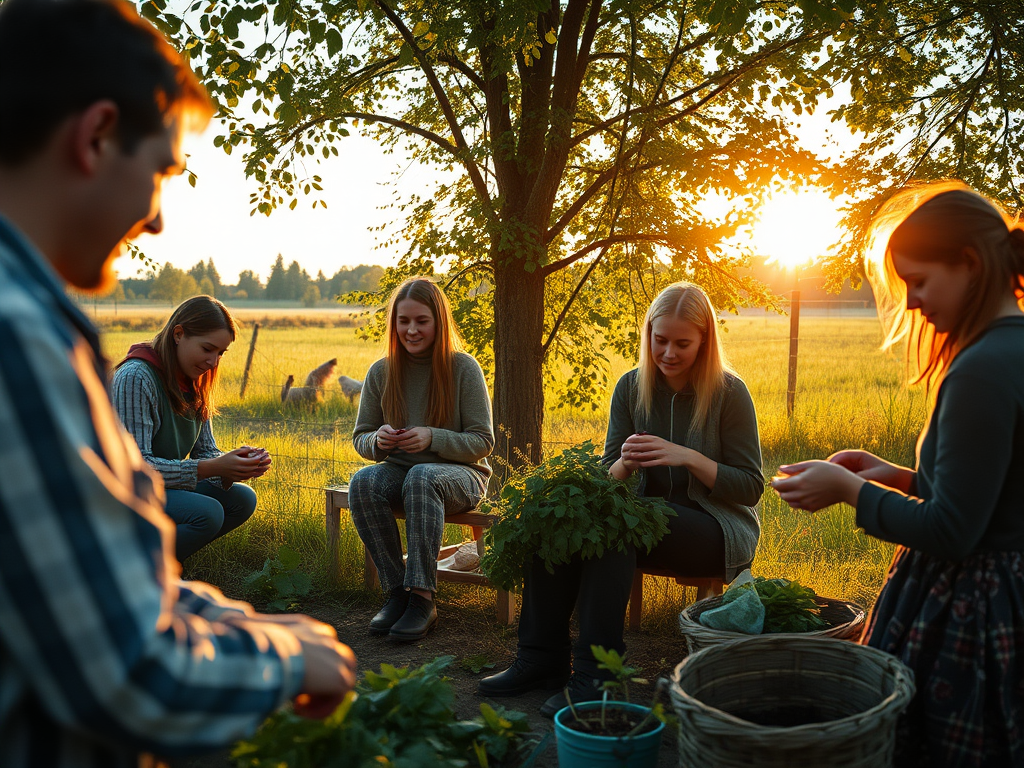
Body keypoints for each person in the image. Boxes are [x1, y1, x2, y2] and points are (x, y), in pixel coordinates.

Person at [0, 1, 356, 765]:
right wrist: (283, 663)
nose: (157, 220)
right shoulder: (18, 337)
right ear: (95, 137)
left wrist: (237, 625)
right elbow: (127, 675)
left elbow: (94, 567)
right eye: (160, 170)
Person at [771, 182, 1024, 768]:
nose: (910, 302)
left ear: (970, 263)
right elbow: (996, 495)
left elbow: (955, 531)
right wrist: (898, 477)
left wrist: (849, 490)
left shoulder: (981, 369)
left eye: (919, 280)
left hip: (970, 612)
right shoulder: (1011, 348)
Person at [480, 282, 764, 716]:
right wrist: (624, 466)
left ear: (704, 341)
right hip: (641, 519)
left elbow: (750, 485)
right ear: (648, 334)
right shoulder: (632, 386)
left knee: (618, 529)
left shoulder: (728, 392)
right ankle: (541, 658)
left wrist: (688, 457)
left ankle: (598, 677)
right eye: (660, 340)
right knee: (556, 522)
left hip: (714, 528)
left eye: (682, 343)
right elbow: (605, 480)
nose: (668, 353)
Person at [350, 277, 494, 642]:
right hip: (402, 472)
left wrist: (434, 437)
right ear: (394, 323)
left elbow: (483, 442)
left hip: (463, 476)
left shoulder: (463, 368)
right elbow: (361, 437)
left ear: (438, 322)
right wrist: (377, 441)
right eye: (403, 321)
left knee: (423, 476)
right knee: (363, 482)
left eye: (421, 321)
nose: (411, 330)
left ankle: (423, 599)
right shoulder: (382, 371)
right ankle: (396, 593)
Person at [112, 295, 271, 561]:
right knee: (206, 513)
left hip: (161, 487)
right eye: (207, 349)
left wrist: (233, 468)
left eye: (220, 353)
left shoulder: (195, 379)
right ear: (178, 334)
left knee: (242, 499)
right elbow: (135, 469)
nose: (213, 362)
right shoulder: (136, 377)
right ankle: (135, 570)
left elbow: (206, 451)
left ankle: (162, 564)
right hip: (121, 493)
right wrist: (214, 467)